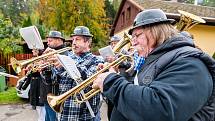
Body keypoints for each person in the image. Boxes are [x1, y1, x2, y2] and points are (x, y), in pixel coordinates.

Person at [92, 9, 215, 121]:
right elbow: (138, 90)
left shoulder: (191, 63)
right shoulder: (154, 59)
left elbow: (160, 110)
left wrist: (111, 82)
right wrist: (117, 74)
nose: (132, 42)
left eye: (137, 35)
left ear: (156, 32)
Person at [52, 26, 103, 121]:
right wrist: (48, 70)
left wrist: (67, 63)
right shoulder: (67, 57)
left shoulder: (97, 60)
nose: (73, 42)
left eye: (77, 39)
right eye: (73, 39)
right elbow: (54, 81)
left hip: (83, 116)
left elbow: (89, 80)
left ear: (88, 42)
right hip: (64, 114)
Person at [40, 30, 67, 121]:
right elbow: (46, 76)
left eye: (50, 41)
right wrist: (41, 68)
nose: (47, 43)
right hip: (47, 94)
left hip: (55, 95)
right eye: (47, 41)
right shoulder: (49, 52)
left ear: (59, 40)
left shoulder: (64, 54)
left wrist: (47, 67)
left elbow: (58, 76)